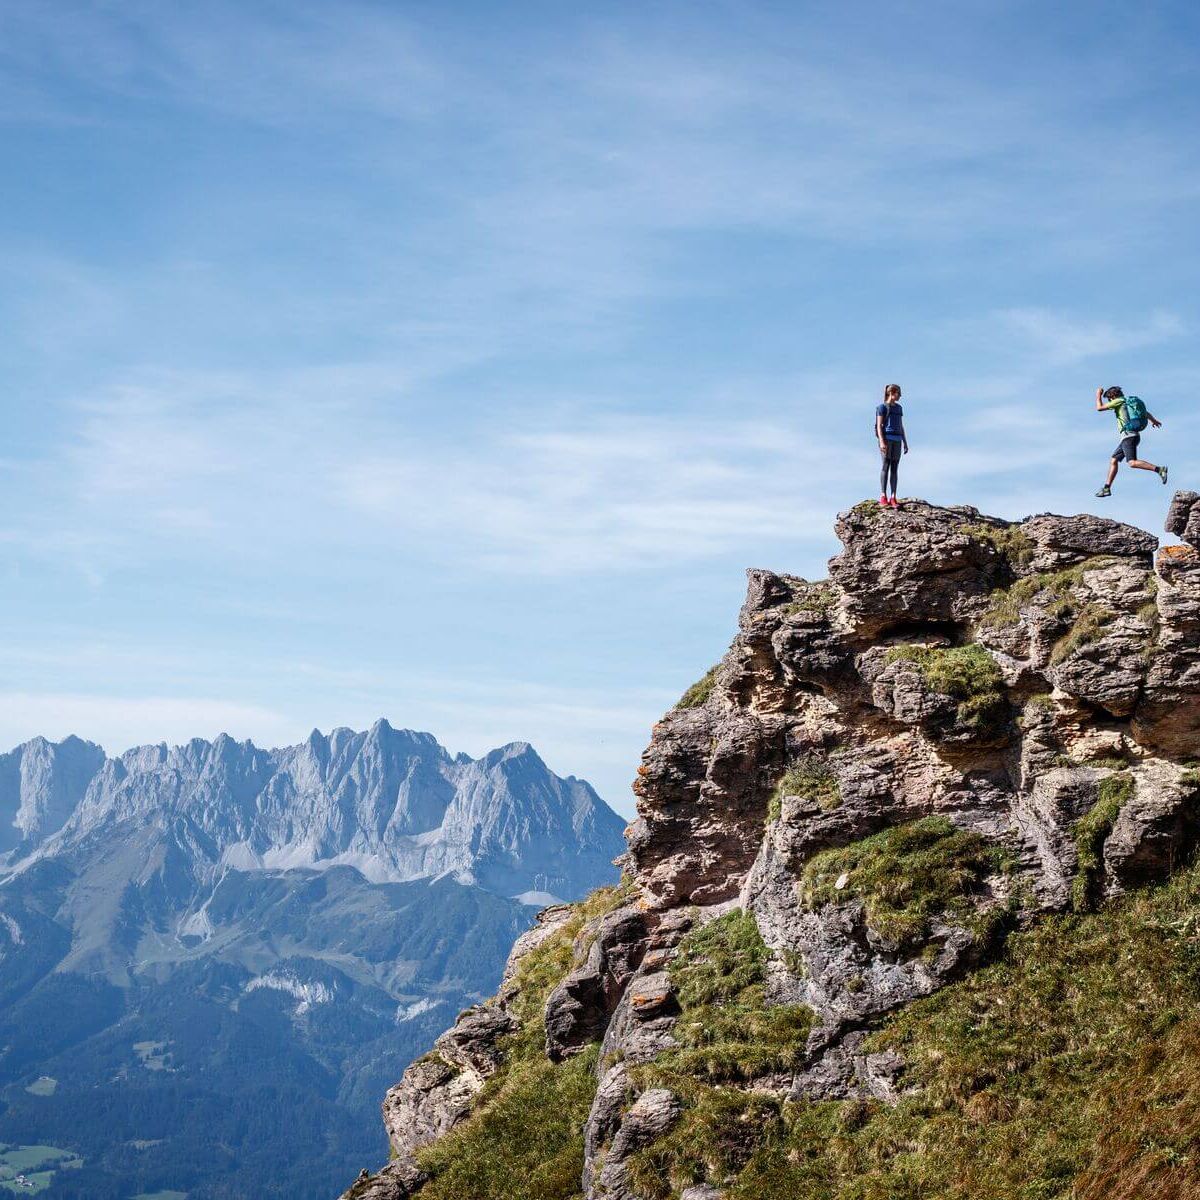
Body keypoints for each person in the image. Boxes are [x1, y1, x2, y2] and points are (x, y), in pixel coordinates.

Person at [1094, 386, 1168, 498]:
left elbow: (1099, 408)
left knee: (1132, 463)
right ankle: (1106, 488)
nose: (1109, 402)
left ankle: (1159, 469)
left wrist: (1098, 395)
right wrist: (1154, 420)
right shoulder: (1128, 402)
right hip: (1129, 437)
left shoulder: (1118, 401)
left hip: (1129, 437)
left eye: (1109, 399)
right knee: (1114, 460)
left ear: (1113, 396)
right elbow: (1145, 413)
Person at [875, 383, 908, 508]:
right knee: (885, 466)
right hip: (887, 439)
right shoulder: (882, 407)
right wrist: (882, 441)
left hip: (897, 439)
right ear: (892, 393)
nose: (900, 396)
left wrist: (905, 441)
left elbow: (901, 425)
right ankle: (883, 496)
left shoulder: (899, 408)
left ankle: (893, 497)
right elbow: (879, 426)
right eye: (898, 393)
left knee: (895, 468)